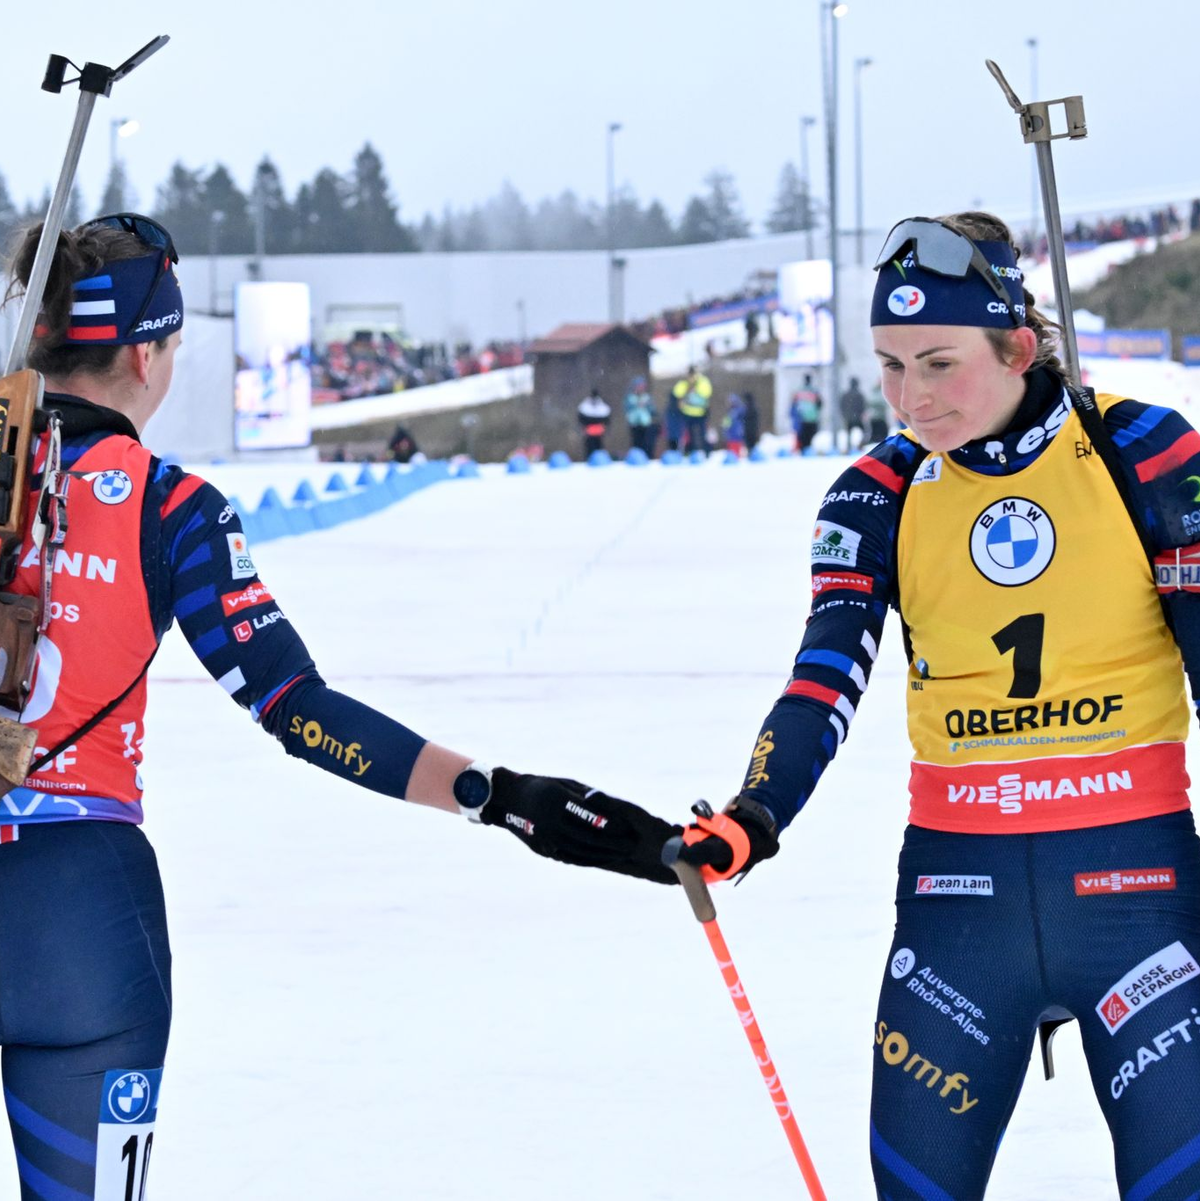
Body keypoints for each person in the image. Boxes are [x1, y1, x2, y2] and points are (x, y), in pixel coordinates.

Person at [0, 214, 676, 1200]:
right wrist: (496, 794)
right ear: (146, 354)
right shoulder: (170, 506)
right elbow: (296, 705)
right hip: (82, 917)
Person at [659, 211, 1200, 1199]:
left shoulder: (1142, 453)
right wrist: (753, 814)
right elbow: (825, 675)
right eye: (891, 364)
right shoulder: (877, 493)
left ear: (1019, 347)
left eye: (939, 363)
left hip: (1138, 899)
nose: (910, 397)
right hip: (961, 909)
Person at [672, 366, 712, 456]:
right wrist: (687, 388)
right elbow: (676, 392)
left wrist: (696, 388)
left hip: (701, 413)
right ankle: (690, 452)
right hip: (687, 413)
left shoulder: (702, 381)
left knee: (702, 433)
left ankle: (706, 452)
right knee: (689, 435)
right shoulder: (684, 383)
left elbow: (707, 392)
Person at [789, 373, 822, 453]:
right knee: (810, 436)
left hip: (802, 418)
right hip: (812, 418)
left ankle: (803, 450)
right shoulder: (815, 391)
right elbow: (820, 404)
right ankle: (808, 450)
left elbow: (794, 404)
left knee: (803, 437)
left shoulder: (799, 391)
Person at [624, 376, 656, 456]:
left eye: (642, 386)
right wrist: (636, 405)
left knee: (647, 443)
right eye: (639, 386)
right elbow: (626, 408)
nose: (641, 388)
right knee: (636, 443)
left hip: (645, 424)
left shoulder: (647, 397)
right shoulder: (630, 397)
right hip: (634, 424)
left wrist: (647, 406)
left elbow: (652, 409)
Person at [577, 386, 611, 456]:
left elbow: (581, 418)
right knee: (595, 448)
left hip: (594, 432)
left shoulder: (587, 405)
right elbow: (606, 419)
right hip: (593, 432)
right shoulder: (589, 404)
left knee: (593, 448)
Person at [839, 374, 867, 448]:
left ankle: (848, 448)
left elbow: (841, 406)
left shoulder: (845, 395)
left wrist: (844, 415)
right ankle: (861, 445)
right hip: (857, 417)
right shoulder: (859, 394)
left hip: (848, 418)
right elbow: (863, 406)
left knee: (848, 434)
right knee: (864, 431)